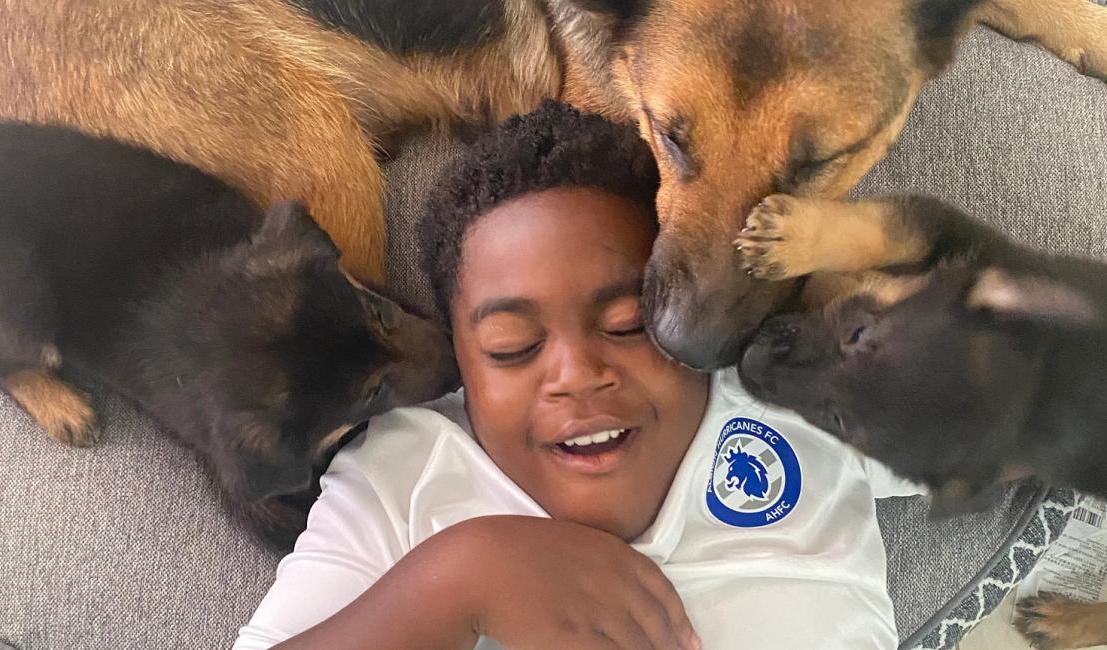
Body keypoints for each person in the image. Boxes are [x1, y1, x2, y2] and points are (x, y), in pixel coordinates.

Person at [233, 101, 920, 650]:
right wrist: (463, 580)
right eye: (512, 345)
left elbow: (1022, 415)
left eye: (628, 324)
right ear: (458, 365)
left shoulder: (795, 396)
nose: (576, 373)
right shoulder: (407, 470)